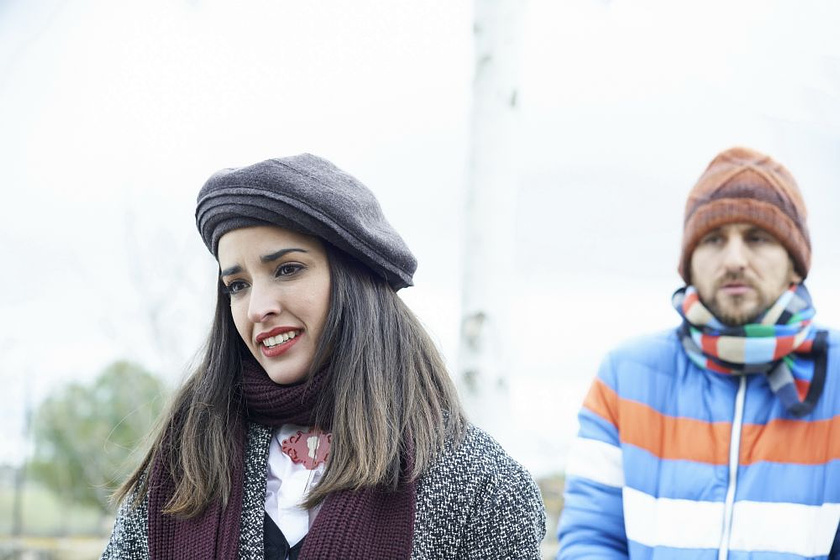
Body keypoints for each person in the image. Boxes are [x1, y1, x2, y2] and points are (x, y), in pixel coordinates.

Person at [101, 154, 546, 560]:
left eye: (287, 269)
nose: (258, 308)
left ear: (357, 278)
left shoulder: (482, 488)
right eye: (238, 284)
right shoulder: (187, 462)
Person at [557, 147, 840, 559]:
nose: (734, 259)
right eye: (714, 239)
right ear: (688, 263)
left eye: (757, 238)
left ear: (796, 263)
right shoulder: (627, 376)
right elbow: (591, 540)